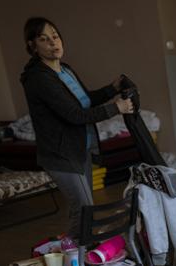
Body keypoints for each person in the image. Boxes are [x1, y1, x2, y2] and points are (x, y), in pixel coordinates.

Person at [20, 17, 133, 241]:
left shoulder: (65, 70)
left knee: (81, 210)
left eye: (55, 36)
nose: (53, 43)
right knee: (84, 208)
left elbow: (85, 101)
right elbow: (74, 115)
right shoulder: (38, 78)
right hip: (61, 153)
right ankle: (74, 257)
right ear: (33, 46)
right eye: (44, 39)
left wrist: (112, 89)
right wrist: (116, 108)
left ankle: (72, 256)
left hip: (81, 148)